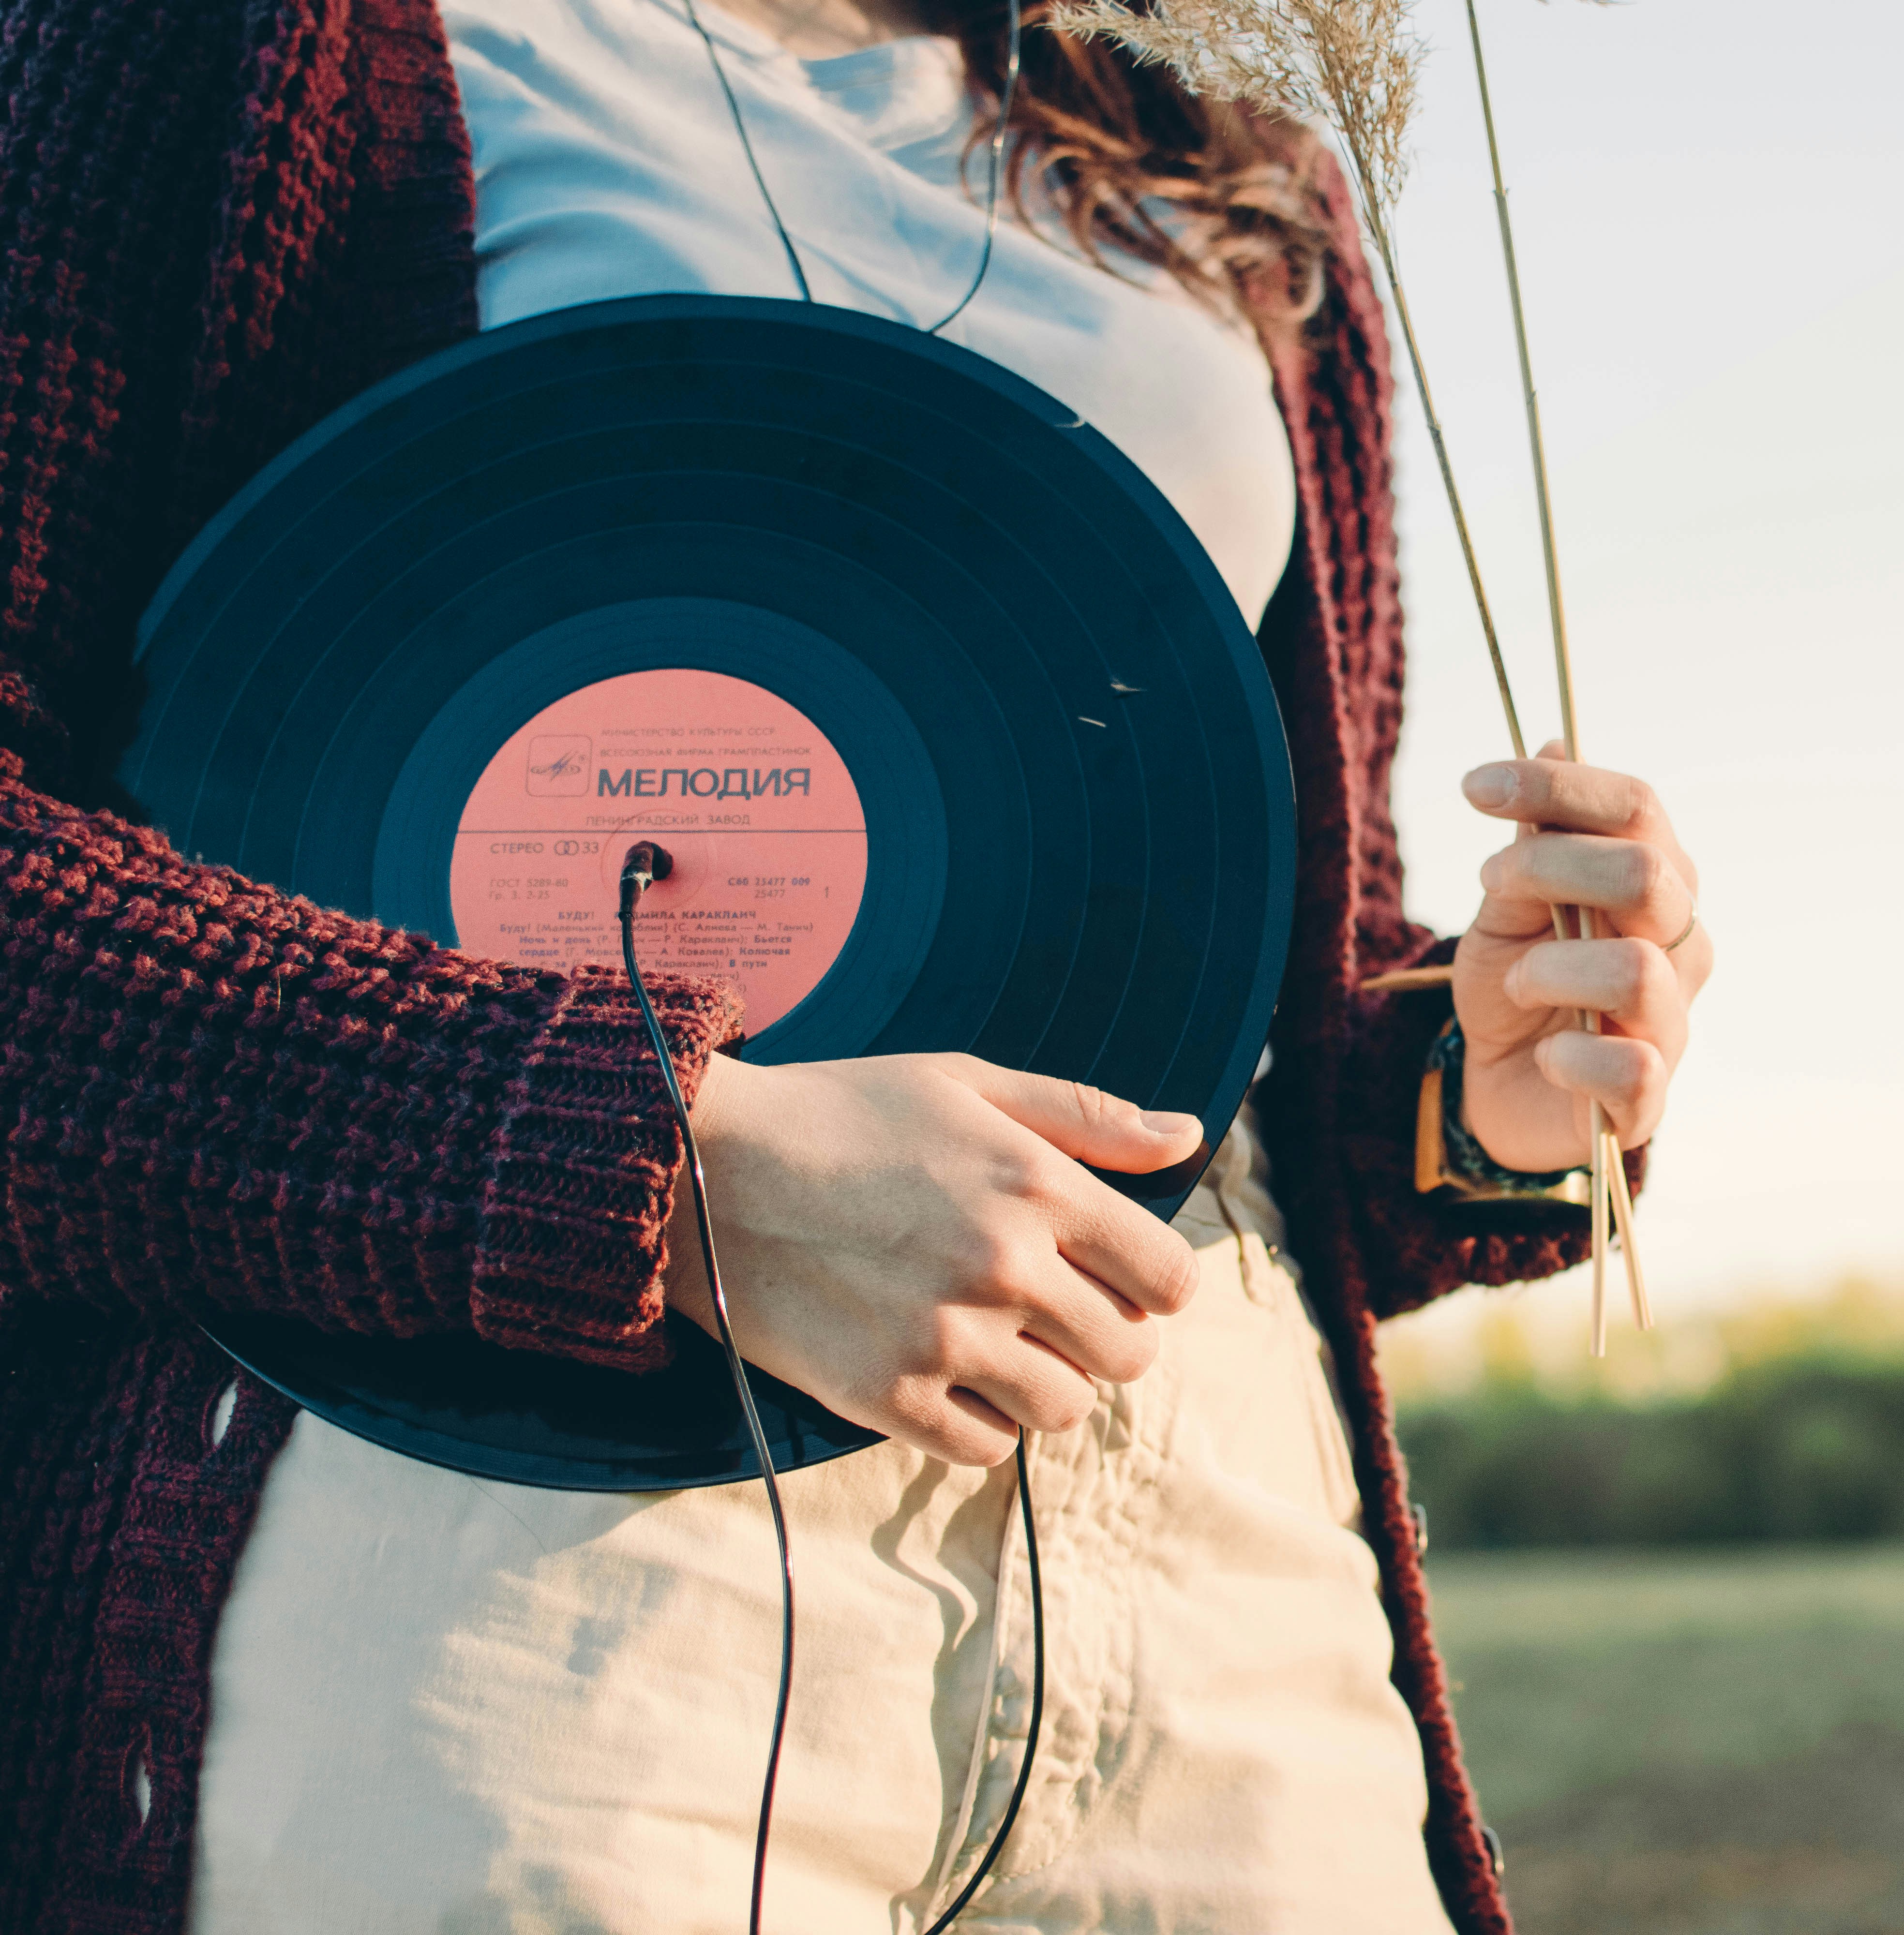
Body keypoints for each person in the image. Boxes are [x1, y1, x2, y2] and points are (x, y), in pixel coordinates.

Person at [0, 0, 1710, 1929]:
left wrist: (1475, 1083)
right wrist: (664, 1160)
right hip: (517, 1546)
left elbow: (1256, 1006)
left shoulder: (1237, 158)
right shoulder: (226, 46)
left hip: (1207, 1530)